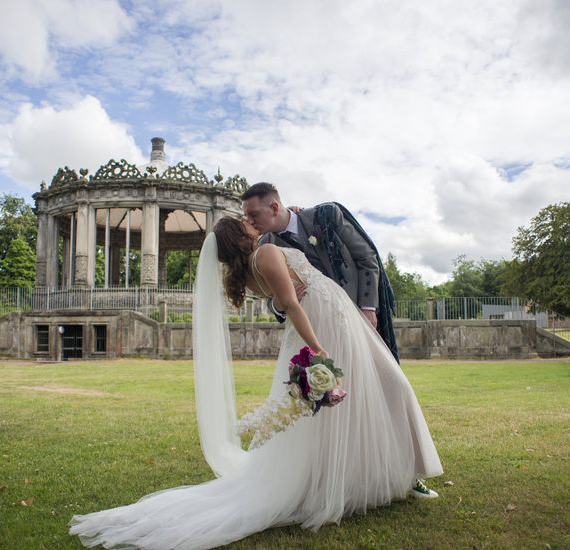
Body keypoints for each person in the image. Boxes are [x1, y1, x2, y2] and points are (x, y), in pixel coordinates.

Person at [69, 217, 443, 550]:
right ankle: (372, 478)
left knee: (346, 403)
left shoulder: (251, 266)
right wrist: (319, 350)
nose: (252, 222)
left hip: (331, 320)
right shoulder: (264, 254)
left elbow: (285, 298)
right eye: (246, 221)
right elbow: (290, 304)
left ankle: (364, 476)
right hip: (323, 328)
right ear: (242, 235)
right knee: (375, 390)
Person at [240, 182, 400, 362]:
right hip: (317, 331)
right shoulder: (265, 248)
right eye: (246, 216)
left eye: (254, 214)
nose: (249, 221)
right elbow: (270, 298)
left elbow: (366, 257)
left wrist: (368, 308)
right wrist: (278, 304)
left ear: (275, 207)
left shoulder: (326, 216)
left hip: (358, 315)